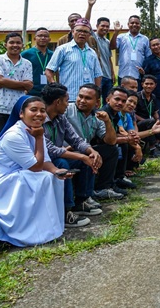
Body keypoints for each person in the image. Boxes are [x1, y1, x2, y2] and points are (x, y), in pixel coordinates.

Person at [0, 96, 69, 247]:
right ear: (21, 114)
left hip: (17, 175)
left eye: (42, 111)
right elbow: (36, 167)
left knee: (53, 177)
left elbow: (45, 161)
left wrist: (57, 171)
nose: (39, 114)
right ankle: (28, 231)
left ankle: (47, 228)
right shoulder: (13, 136)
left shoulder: (36, 130)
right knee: (42, 178)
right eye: (33, 110)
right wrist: (39, 138)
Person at [41, 83, 105, 226]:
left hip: (55, 158)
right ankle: (65, 211)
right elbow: (49, 149)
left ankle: (82, 201)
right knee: (63, 164)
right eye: (66, 100)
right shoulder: (39, 118)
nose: (68, 104)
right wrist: (81, 156)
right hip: (40, 161)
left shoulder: (60, 118)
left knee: (86, 159)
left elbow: (76, 140)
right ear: (57, 102)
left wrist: (91, 152)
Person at [65, 84, 120, 204]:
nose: (82, 101)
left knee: (112, 150)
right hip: (66, 151)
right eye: (80, 96)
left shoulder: (97, 116)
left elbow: (111, 141)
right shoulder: (67, 110)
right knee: (88, 157)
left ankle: (102, 189)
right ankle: (83, 198)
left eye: (88, 98)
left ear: (97, 102)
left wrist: (107, 121)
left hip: (85, 150)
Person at [0, 33, 34, 144]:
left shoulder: (27, 63)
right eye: (11, 42)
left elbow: (29, 85)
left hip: (18, 109)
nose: (15, 45)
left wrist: (3, 83)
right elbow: (0, 80)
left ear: (22, 45)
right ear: (5, 45)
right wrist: (21, 84)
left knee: (18, 141)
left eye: (18, 43)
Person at [46, 18, 102, 102]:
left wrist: (97, 96)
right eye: (79, 31)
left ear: (89, 35)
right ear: (73, 32)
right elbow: (49, 71)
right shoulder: (63, 49)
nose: (82, 34)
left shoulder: (92, 53)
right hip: (68, 98)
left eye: (85, 32)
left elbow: (98, 75)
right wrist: (56, 89)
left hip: (88, 99)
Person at [133, 75, 160, 157]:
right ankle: (152, 149)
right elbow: (133, 114)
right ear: (142, 84)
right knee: (150, 122)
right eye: (146, 84)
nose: (149, 86)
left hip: (150, 120)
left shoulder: (153, 97)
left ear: (155, 85)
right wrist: (144, 120)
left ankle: (159, 142)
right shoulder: (137, 96)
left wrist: (158, 120)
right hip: (138, 123)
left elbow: (155, 112)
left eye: (151, 84)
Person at [110, 15, 151, 86]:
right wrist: (116, 32)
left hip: (138, 75)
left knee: (137, 93)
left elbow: (148, 57)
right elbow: (112, 47)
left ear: (140, 25)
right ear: (128, 24)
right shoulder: (121, 37)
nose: (134, 25)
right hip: (123, 75)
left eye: (137, 23)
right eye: (132, 23)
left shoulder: (145, 39)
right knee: (122, 93)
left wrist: (145, 70)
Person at [22, 27, 53, 96]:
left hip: (48, 92)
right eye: (40, 36)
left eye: (45, 36)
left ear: (49, 39)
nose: (43, 38)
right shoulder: (26, 54)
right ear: (34, 38)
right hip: (31, 91)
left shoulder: (52, 55)